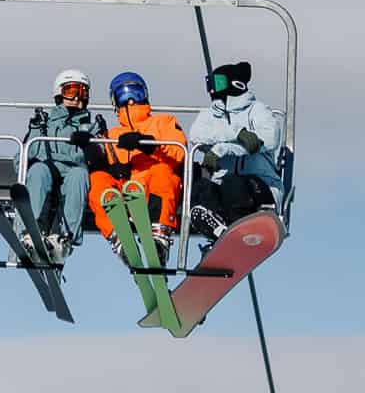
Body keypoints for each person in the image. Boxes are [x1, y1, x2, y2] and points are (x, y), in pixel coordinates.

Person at [89, 71, 187, 254]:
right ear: (115, 102)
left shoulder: (164, 122)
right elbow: (102, 163)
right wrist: (90, 149)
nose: (131, 100)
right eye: (123, 95)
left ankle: (159, 235)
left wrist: (148, 144)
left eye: (135, 93)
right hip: (125, 189)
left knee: (162, 171)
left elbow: (178, 152)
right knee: (98, 179)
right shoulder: (111, 135)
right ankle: (118, 235)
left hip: (152, 187)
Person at [187, 60, 283, 239]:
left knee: (234, 182)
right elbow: (196, 134)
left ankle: (240, 228)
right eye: (210, 84)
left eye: (217, 83)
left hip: (259, 185)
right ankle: (218, 229)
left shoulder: (257, 111)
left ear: (234, 84)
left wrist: (224, 148)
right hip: (223, 186)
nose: (212, 90)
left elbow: (269, 139)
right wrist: (236, 133)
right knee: (203, 187)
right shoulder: (211, 114)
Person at [23, 68, 110, 252]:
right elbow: (20, 162)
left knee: (79, 175)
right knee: (38, 171)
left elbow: (103, 158)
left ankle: (66, 238)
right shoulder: (43, 123)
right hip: (47, 171)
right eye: (71, 90)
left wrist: (89, 145)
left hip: (72, 174)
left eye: (83, 91)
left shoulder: (92, 127)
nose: (77, 97)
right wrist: (34, 134)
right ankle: (32, 229)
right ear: (59, 93)